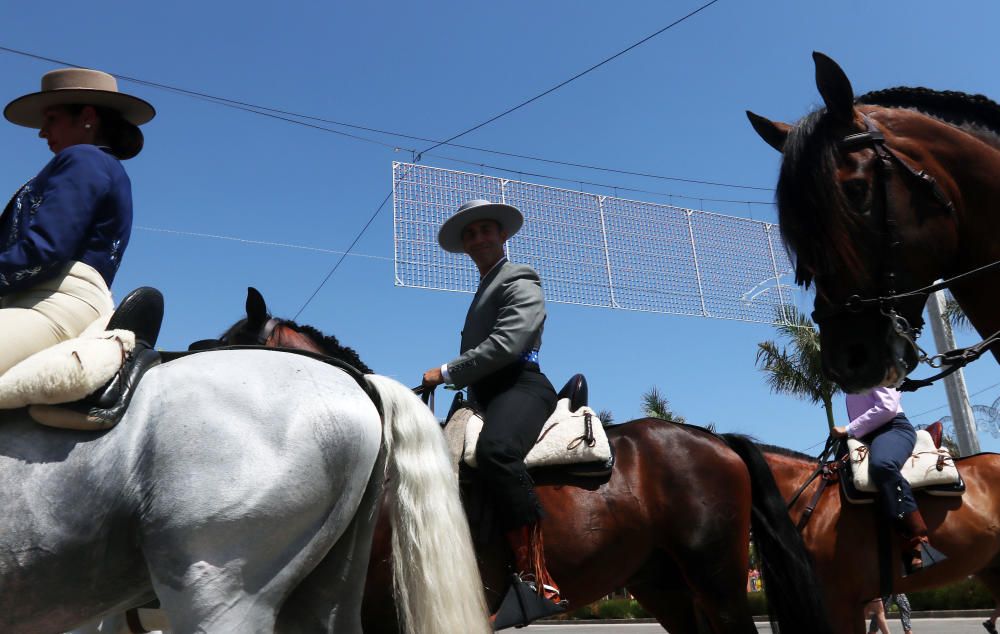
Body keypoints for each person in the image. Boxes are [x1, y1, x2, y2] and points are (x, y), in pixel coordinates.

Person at [422, 199, 563, 617]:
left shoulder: (518, 277)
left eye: (486, 229)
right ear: (464, 246)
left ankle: (534, 573)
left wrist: (447, 371)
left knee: (496, 451)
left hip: (520, 386)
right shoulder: (484, 287)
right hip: (485, 394)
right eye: (470, 233)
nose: (478, 237)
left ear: (502, 236)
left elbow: (510, 342)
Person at [0, 68, 154, 375]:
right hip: (49, 300)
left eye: (51, 119)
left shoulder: (84, 158)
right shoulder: (98, 164)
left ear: (87, 116)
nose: (42, 131)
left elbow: (45, 249)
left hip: (53, 302)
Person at [832, 386, 946, 574]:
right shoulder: (852, 378)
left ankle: (919, 540)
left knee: (882, 465)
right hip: (864, 435)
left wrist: (849, 428)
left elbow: (888, 407)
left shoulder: (876, 367)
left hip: (893, 428)